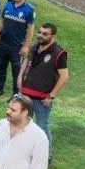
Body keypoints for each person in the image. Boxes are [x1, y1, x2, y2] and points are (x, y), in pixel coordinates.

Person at [17, 22, 69, 156]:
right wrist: (20, 77)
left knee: (42, 129)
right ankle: (25, 151)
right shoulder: (34, 47)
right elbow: (26, 62)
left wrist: (51, 96)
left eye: (45, 34)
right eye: (39, 32)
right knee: (22, 125)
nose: (40, 35)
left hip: (42, 100)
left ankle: (47, 155)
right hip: (25, 95)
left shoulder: (59, 53)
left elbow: (64, 77)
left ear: (53, 36)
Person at [0, 0, 34, 98]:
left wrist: (26, 46)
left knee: (16, 72)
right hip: (3, 44)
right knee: (0, 67)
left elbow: (30, 29)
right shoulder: (8, 5)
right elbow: (2, 23)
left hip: (17, 47)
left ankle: (16, 95)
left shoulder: (29, 9)